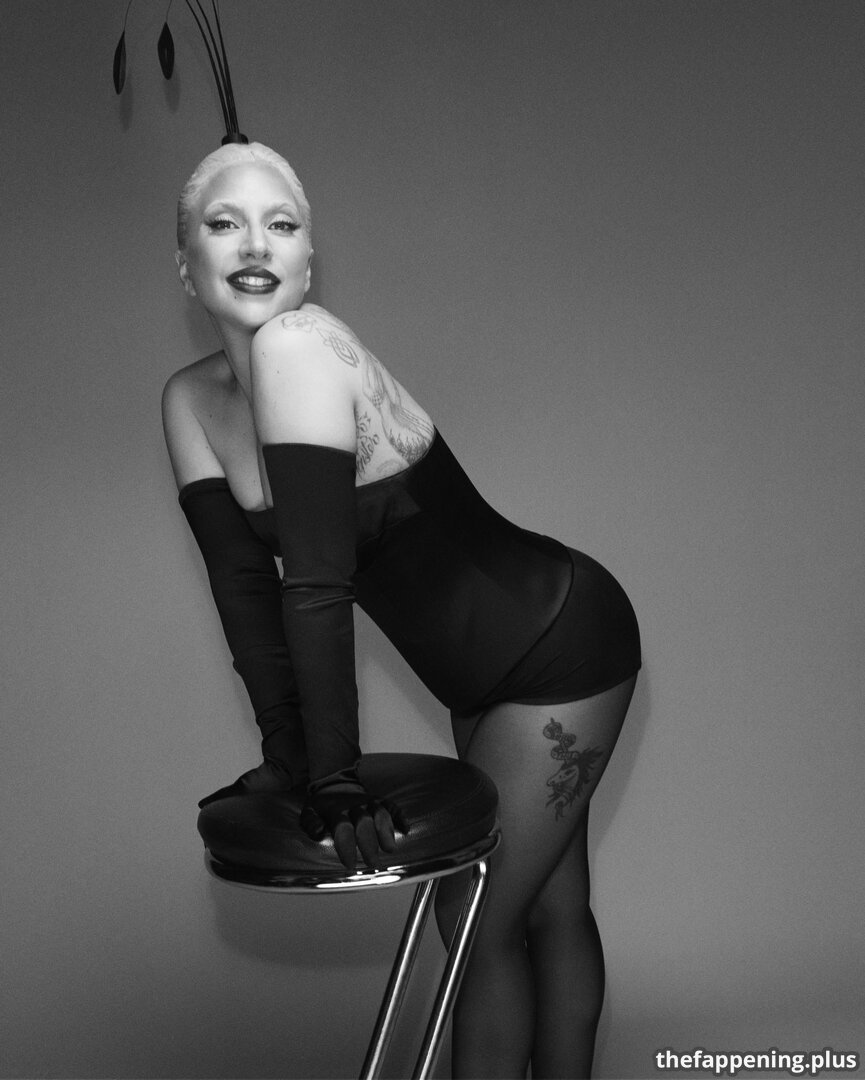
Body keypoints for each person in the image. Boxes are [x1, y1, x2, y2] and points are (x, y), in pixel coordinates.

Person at [162, 141, 640, 1080]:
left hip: (561, 640)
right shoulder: (190, 400)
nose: (254, 245)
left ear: (308, 263)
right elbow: (244, 597)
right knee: (547, 906)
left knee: (474, 915)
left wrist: (335, 775)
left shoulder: (302, 348)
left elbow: (315, 583)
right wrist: (289, 757)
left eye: (281, 225)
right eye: (224, 224)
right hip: (478, 678)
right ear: (186, 263)